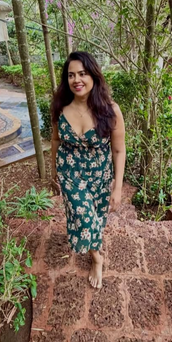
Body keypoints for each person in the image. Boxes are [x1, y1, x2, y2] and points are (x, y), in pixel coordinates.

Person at [51, 51, 126, 289]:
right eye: (71, 75)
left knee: (97, 219)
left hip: (100, 176)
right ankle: (96, 258)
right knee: (84, 218)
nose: (77, 80)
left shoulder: (110, 110)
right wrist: (54, 171)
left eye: (82, 74)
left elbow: (119, 150)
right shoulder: (61, 108)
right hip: (70, 174)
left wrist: (118, 187)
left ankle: (94, 247)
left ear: (93, 76)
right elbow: (55, 140)